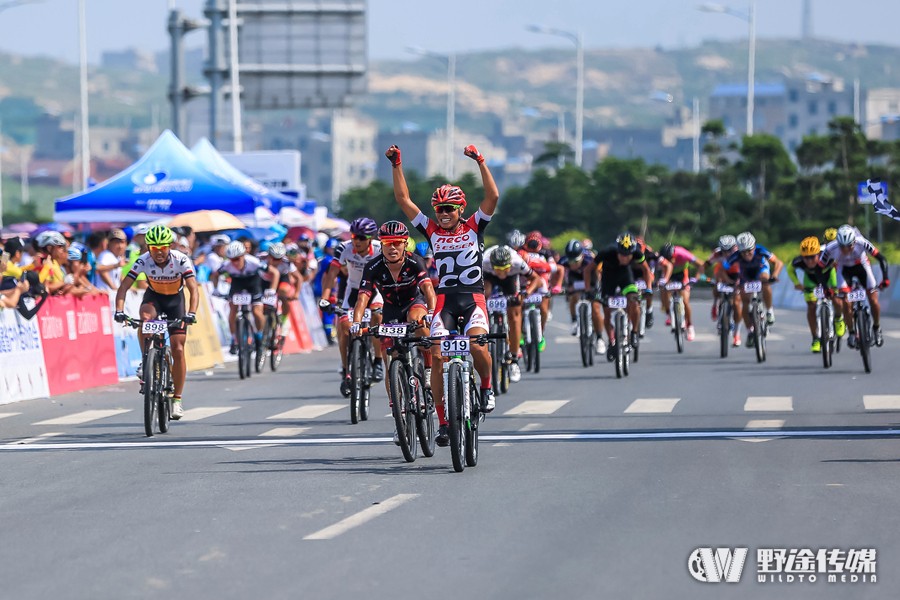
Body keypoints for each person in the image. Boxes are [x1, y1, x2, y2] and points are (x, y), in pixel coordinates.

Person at [386, 142, 499, 447]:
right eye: (440, 209)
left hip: (473, 299)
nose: (444, 213)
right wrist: (397, 165)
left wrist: (481, 162)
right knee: (437, 357)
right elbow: (403, 199)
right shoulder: (432, 230)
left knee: (477, 346)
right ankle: (445, 421)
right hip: (446, 301)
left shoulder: (475, 225)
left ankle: (487, 387)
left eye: (450, 208)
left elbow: (493, 196)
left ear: (461, 209)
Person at [353, 221, 436, 442]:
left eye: (397, 243)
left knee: (418, 322)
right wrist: (357, 321)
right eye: (388, 243)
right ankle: (399, 414)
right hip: (391, 310)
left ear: (404, 244)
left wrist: (432, 310)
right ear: (381, 245)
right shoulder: (373, 266)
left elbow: (428, 288)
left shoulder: (414, 261)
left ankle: (427, 371)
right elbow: (363, 296)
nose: (392, 248)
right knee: (392, 359)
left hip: (413, 304)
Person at [114, 225, 199, 420]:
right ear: (149, 248)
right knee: (145, 319)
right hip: (154, 298)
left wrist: (191, 313)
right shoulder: (143, 260)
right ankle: (147, 361)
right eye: (154, 248)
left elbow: (194, 289)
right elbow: (123, 287)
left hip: (175, 302)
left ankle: (176, 399)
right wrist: (119, 310)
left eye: (162, 248)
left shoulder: (181, 260)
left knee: (177, 348)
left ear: (169, 246)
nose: (159, 253)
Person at [320, 218, 386, 396]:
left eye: (363, 238)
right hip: (353, 291)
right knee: (344, 327)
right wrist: (325, 298)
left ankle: (378, 362)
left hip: (375, 290)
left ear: (370, 238)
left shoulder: (381, 249)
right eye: (355, 236)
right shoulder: (344, 248)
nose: (357, 241)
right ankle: (345, 369)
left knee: (377, 317)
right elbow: (331, 274)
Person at [822, 224, 889, 347]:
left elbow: (882, 259)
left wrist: (885, 278)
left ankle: (877, 328)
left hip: (862, 267)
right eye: (843, 247)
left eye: (849, 246)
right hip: (844, 270)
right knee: (846, 302)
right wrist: (825, 287)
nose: (846, 250)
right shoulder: (831, 248)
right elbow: (819, 268)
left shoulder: (862, 242)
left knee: (873, 300)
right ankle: (852, 332)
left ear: (854, 241)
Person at [483, 244, 541, 382]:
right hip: (489, 277)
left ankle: (514, 359)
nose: (501, 272)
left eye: (504, 269)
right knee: (485, 294)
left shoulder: (517, 262)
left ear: (510, 264)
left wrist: (526, 293)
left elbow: (536, 279)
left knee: (515, 316)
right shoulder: (484, 262)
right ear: (493, 266)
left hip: (511, 279)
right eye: (498, 269)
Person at [212, 241, 279, 354]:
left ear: (243, 255)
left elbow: (275, 273)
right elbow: (215, 275)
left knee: (256, 311)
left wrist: (272, 289)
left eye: (237, 259)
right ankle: (234, 340)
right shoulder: (227, 265)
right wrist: (215, 289)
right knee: (232, 310)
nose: (235, 262)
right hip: (237, 284)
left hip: (253, 284)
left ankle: (260, 335)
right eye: (232, 259)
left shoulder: (254, 262)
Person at [595, 232, 654, 361]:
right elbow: (589, 269)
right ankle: (611, 341)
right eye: (622, 255)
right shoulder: (607, 252)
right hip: (608, 278)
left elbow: (646, 270)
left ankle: (634, 332)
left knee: (634, 301)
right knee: (607, 312)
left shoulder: (637, 253)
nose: (625, 258)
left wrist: (648, 288)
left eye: (628, 255)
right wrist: (591, 289)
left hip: (625, 277)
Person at [720, 231, 783, 348]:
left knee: (765, 281)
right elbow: (722, 270)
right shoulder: (736, 256)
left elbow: (778, 263)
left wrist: (774, 275)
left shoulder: (761, 250)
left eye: (750, 250)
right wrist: (730, 282)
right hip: (746, 275)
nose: (747, 255)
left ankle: (769, 311)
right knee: (744, 302)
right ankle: (750, 331)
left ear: (754, 247)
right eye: (743, 252)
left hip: (761, 269)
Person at [788, 236, 844, 353]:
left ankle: (838, 319)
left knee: (836, 300)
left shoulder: (828, 257)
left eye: (812, 257)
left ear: (818, 254)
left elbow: (841, 266)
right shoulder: (798, 261)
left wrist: (839, 284)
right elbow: (790, 269)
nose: (809, 261)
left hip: (829, 277)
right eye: (806, 258)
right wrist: (797, 283)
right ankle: (815, 339)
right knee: (811, 307)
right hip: (811, 280)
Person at [560, 239, 606, 354]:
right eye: (570, 262)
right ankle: (575, 321)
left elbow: (599, 274)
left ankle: (600, 338)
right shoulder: (564, 261)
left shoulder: (590, 259)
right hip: (575, 279)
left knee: (595, 308)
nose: (573, 264)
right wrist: (562, 287)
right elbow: (558, 273)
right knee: (573, 296)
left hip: (591, 278)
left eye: (576, 261)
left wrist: (597, 288)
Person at [657, 242, 705, 342]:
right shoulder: (662, 259)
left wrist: (695, 279)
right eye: (667, 260)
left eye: (671, 258)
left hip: (682, 276)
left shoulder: (683, 253)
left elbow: (701, 265)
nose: (671, 261)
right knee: (663, 290)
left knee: (686, 301)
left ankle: (690, 325)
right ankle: (669, 313)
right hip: (668, 275)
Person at [705, 234, 742, 346]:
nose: (726, 253)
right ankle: (716, 303)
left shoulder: (740, 254)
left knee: (736, 304)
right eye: (724, 251)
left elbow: (745, 270)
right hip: (722, 272)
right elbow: (706, 265)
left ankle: (736, 334)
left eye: (729, 250)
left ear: (734, 247)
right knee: (717, 282)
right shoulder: (717, 253)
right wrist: (699, 275)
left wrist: (740, 282)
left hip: (737, 273)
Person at [261, 242, 301, 323]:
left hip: (281, 280)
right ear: (269, 255)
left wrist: (296, 293)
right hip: (264, 281)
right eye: (273, 258)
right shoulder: (261, 258)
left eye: (278, 259)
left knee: (283, 292)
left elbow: (299, 278)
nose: (275, 261)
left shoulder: (287, 263)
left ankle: (284, 319)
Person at [35, 231, 73, 296]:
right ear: (49, 248)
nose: (62, 250)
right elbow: (46, 287)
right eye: (60, 246)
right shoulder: (43, 263)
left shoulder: (54, 262)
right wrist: (64, 282)